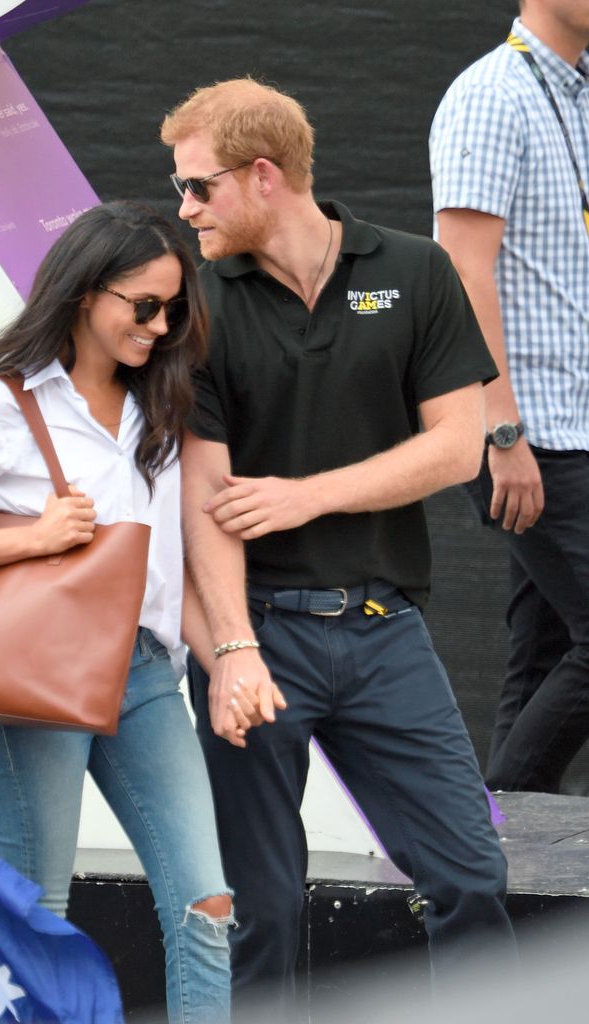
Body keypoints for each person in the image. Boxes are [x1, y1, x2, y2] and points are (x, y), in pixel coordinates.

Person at [160, 78, 517, 1019]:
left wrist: (302, 498)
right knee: (264, 911)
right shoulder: (201, 303)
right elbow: (207, 497)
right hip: (257, 635)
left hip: (381, 628)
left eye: (198, 187)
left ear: (263, 176)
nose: (184, 207)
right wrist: (231, 650)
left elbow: (456, 445)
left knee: (471, 876)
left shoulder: (414, 270)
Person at [0, 201, 232, 1024]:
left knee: (206, 901)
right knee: (38, 910)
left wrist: (228, 660)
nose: (159, 324)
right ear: (83, 293)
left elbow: (165, 567)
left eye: (172, 308)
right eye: (142, 305)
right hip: (36, 676)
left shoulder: (162, 406)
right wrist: (36, 540)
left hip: (142, 669)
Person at [430, 0, 589, 793]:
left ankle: (499, 866)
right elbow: (461, 272)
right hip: (528, 431)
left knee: (547, 647)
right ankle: (487, 856)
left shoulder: (577, 94)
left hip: (574, 422)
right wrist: (501, 433)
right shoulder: (491, 94)